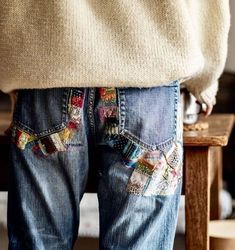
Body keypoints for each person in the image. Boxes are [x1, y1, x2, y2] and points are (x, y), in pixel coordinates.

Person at [0, 1, 230, 249]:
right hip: (147, 68)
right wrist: (206, 78)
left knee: (39, 243)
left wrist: (11, 68)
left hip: (46, 68)